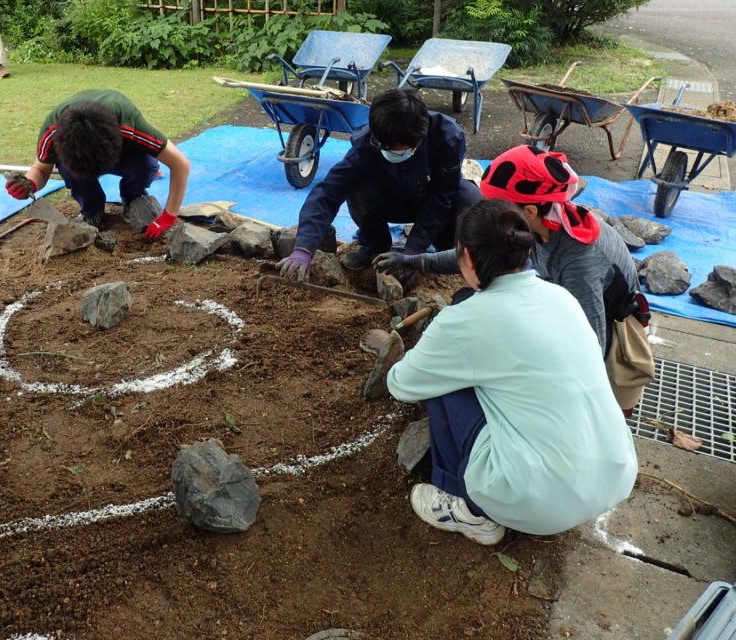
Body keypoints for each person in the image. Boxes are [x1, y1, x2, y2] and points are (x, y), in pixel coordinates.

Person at [386, 198, 638, 545]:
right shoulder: (562, 297)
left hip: (536, 500)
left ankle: (465, 507)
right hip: (613, 475)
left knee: (442, 385)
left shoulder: (462, 321)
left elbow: (402, 383)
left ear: (467, 257)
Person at [375, 144, 646, 410]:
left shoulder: (580, 261)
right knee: (469, 300)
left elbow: (589, 351)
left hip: (609, 334)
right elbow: (475, 253)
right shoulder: (541, 223)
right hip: (563, 307)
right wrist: (416, 261)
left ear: (528, 211)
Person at [277, 88, 482, 281]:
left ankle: (454, 255)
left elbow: (442, 195)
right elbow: (327, 192)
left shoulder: (447, 136)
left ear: (418, 140)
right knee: (357, 187)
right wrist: (303, 249)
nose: (389, 151)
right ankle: (374, 247)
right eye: (384, 146)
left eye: (397, 148)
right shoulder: (368, 143)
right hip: (389, 200)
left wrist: (413, 253)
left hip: (428, 198)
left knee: (470, 198)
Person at [4, 89, 190, 239]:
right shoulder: (53, 130)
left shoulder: (128, 124)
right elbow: (41, 169)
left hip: (125, 150)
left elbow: (180, 164)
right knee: (66, 168)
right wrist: (30, 184)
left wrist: (169, 215)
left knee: (145, 166)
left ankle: (133, 197)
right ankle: (92, 210)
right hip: (79, 149)